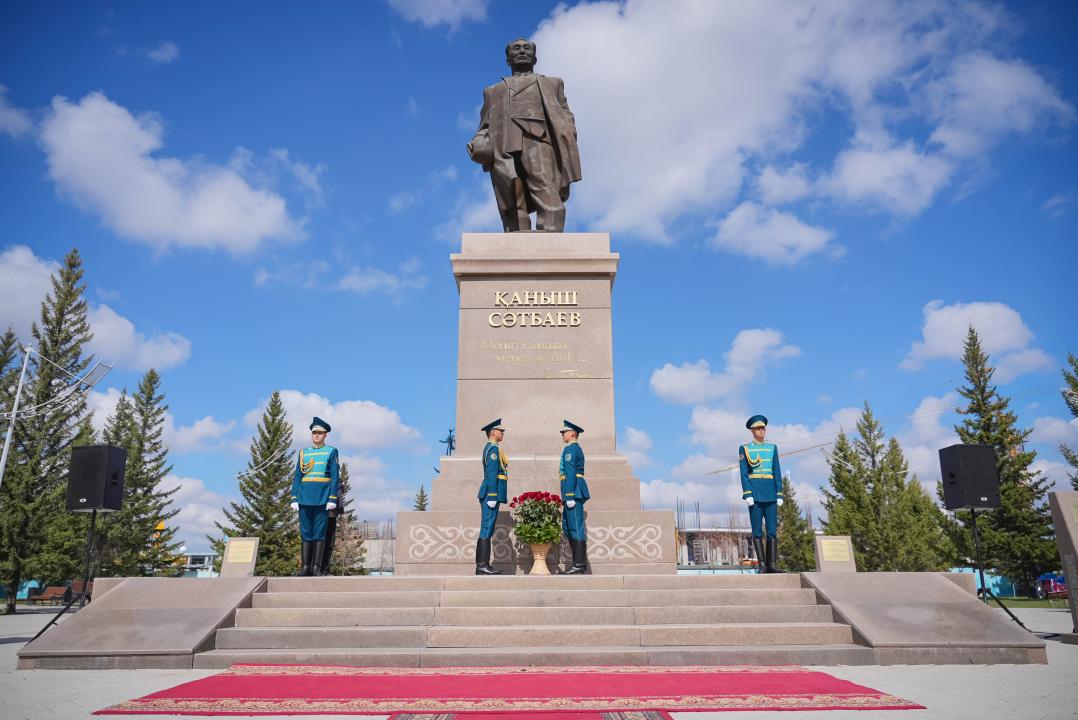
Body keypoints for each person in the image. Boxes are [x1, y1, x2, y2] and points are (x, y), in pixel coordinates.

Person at [467, 37, 581, 233]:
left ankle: (550, 228)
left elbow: (565, 113)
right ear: (508, 59)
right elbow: (485, 124)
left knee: (542, 181)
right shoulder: (492, 91)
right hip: (504, 142)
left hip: (538, 137)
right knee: (510, 187)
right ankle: (515, 230)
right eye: (516, 48)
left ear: (534, 58)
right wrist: (478, 141)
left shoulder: (552, 84)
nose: (522, 51)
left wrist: (567, 132)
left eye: (527, 48)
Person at [290, 417, 339, 576]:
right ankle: (306, 567)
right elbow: (298, 476)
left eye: (319, 433)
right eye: (314, 433)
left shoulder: (331, 451)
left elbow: (334, 476)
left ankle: (317, 567)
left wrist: (332, 498)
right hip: (304, 496)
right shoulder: (303, 453)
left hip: (322, 497)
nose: (316, 435)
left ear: (325, 435)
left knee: (319, 532)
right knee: (305, 532)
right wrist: (294, 497)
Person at [738, 415, 783, 574]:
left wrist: (779, 493)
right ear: (752, 430)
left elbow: (777, 471)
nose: (761, 430)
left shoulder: (772, 448)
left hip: (770, 493)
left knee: (772, 531)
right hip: (755, 494)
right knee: (757, 531)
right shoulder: (745, 448)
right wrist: (747, 493)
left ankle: (772, 564)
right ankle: (762, 565)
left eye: (763, 428)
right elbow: (744, 473)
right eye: (758, 428)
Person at [476, 418, 508, 575]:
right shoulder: (493, 449)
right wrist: (493, 495)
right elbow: (491, 473)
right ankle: (482, 565)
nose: (503, 433)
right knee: (487, 528)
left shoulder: (493, 447)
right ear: (493, 432)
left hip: (490, 493)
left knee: (488, 528)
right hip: (490, 494)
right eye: (500, 430)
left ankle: (483, 565)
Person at [559, 419, 589, 574]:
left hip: (573, 492)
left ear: (572, 433)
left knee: (575, 527)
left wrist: (569, 495)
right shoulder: (573, 448)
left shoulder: (570, 450)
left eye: (564, 432)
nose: (562, 434)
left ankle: (579, 564)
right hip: (572, 492)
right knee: (568, 527)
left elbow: (570, 473)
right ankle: (578, 563)